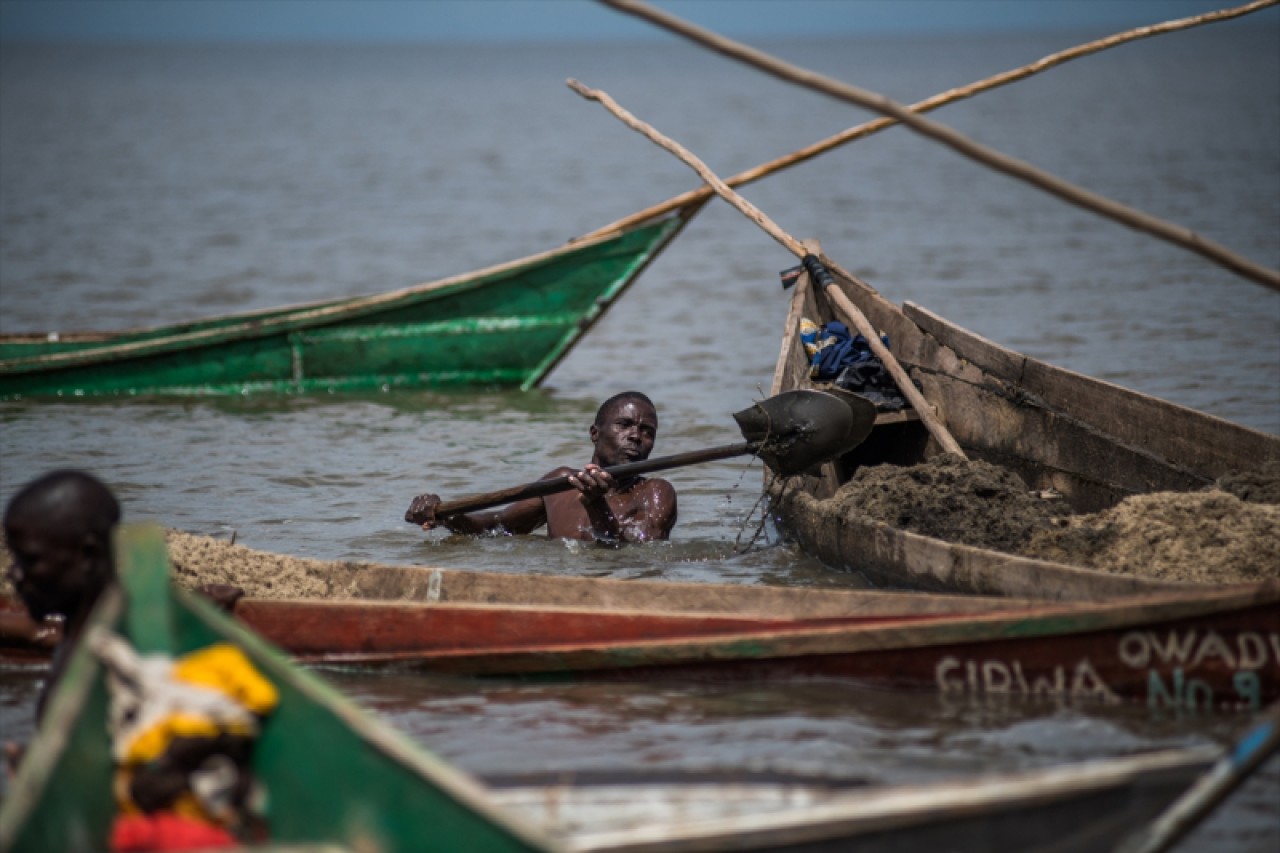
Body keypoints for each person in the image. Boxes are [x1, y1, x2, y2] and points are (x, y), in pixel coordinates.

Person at [405, 391, 678, 544]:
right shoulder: (560, 484)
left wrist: (597, 505)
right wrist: (448, 517)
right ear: (595, 433)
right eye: (625, 425)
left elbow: (635, 552)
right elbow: (498, 527)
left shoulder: (655, 492)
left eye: (647, 431)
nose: (635, 436)